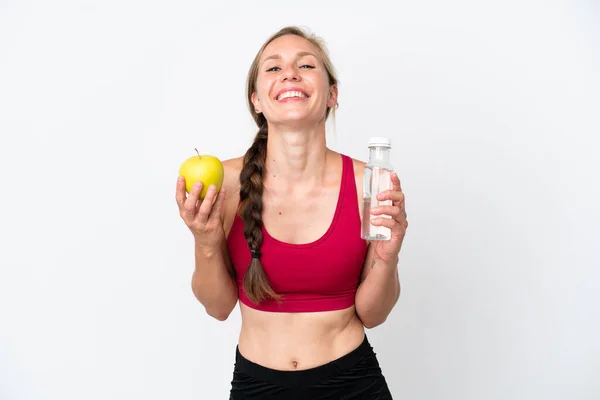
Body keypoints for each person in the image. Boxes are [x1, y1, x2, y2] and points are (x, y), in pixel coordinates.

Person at [175, 26, 408, 400]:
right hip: (257, 387)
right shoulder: (227, 182)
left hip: (353, 384)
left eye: (305, 64)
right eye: (273, 68)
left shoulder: (371, 180)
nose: (289, 73)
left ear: (332, 94)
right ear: (256, 100)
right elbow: (217, 308)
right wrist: (205, 242)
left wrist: (387, 256)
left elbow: (374, 315)